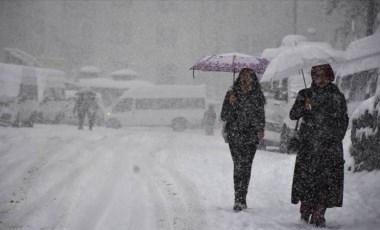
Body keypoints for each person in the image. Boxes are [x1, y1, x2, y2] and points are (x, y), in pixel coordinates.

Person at [289, 64, 349, 227]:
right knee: (307, 180)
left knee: (325, 182)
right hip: (308, 146)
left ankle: (319, 213)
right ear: (313, 77)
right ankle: (306, 209)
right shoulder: (305, 94)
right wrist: (303, 106)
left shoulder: (337, 96)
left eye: (324, 76)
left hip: (329, 147)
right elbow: (293, 114)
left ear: (330, 77)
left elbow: (343, 120)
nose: (320, 79)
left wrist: (335, 137)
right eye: (317, 76)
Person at [221, 68, 266, 212]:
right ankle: (238, 199)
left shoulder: (257, 95)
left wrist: (260, 128)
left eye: (249, 76)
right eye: (243, 76)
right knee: (238, 165)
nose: (245, 78)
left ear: (253, 79)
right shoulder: (231, 94)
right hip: (235, 135)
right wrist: (232, 103)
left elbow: (260, 115)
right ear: (239, 78)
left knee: (246, 166)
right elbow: (224, 116)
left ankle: (242, 198)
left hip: (251, 136)